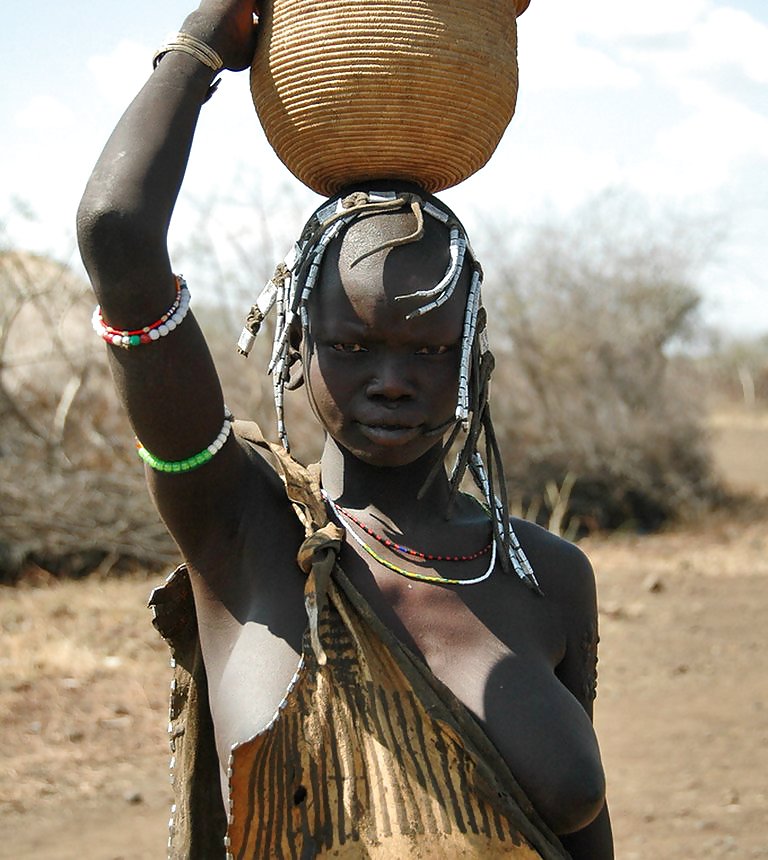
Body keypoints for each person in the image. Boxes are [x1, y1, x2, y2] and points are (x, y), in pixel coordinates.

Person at [77, 1, 613, 857]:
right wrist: (203, 43)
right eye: (352, 344)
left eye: (431, 349)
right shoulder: (240, 532)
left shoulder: (547, 578)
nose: (393, 380)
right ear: (294, 350)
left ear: (473, 361)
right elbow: (117, 232)